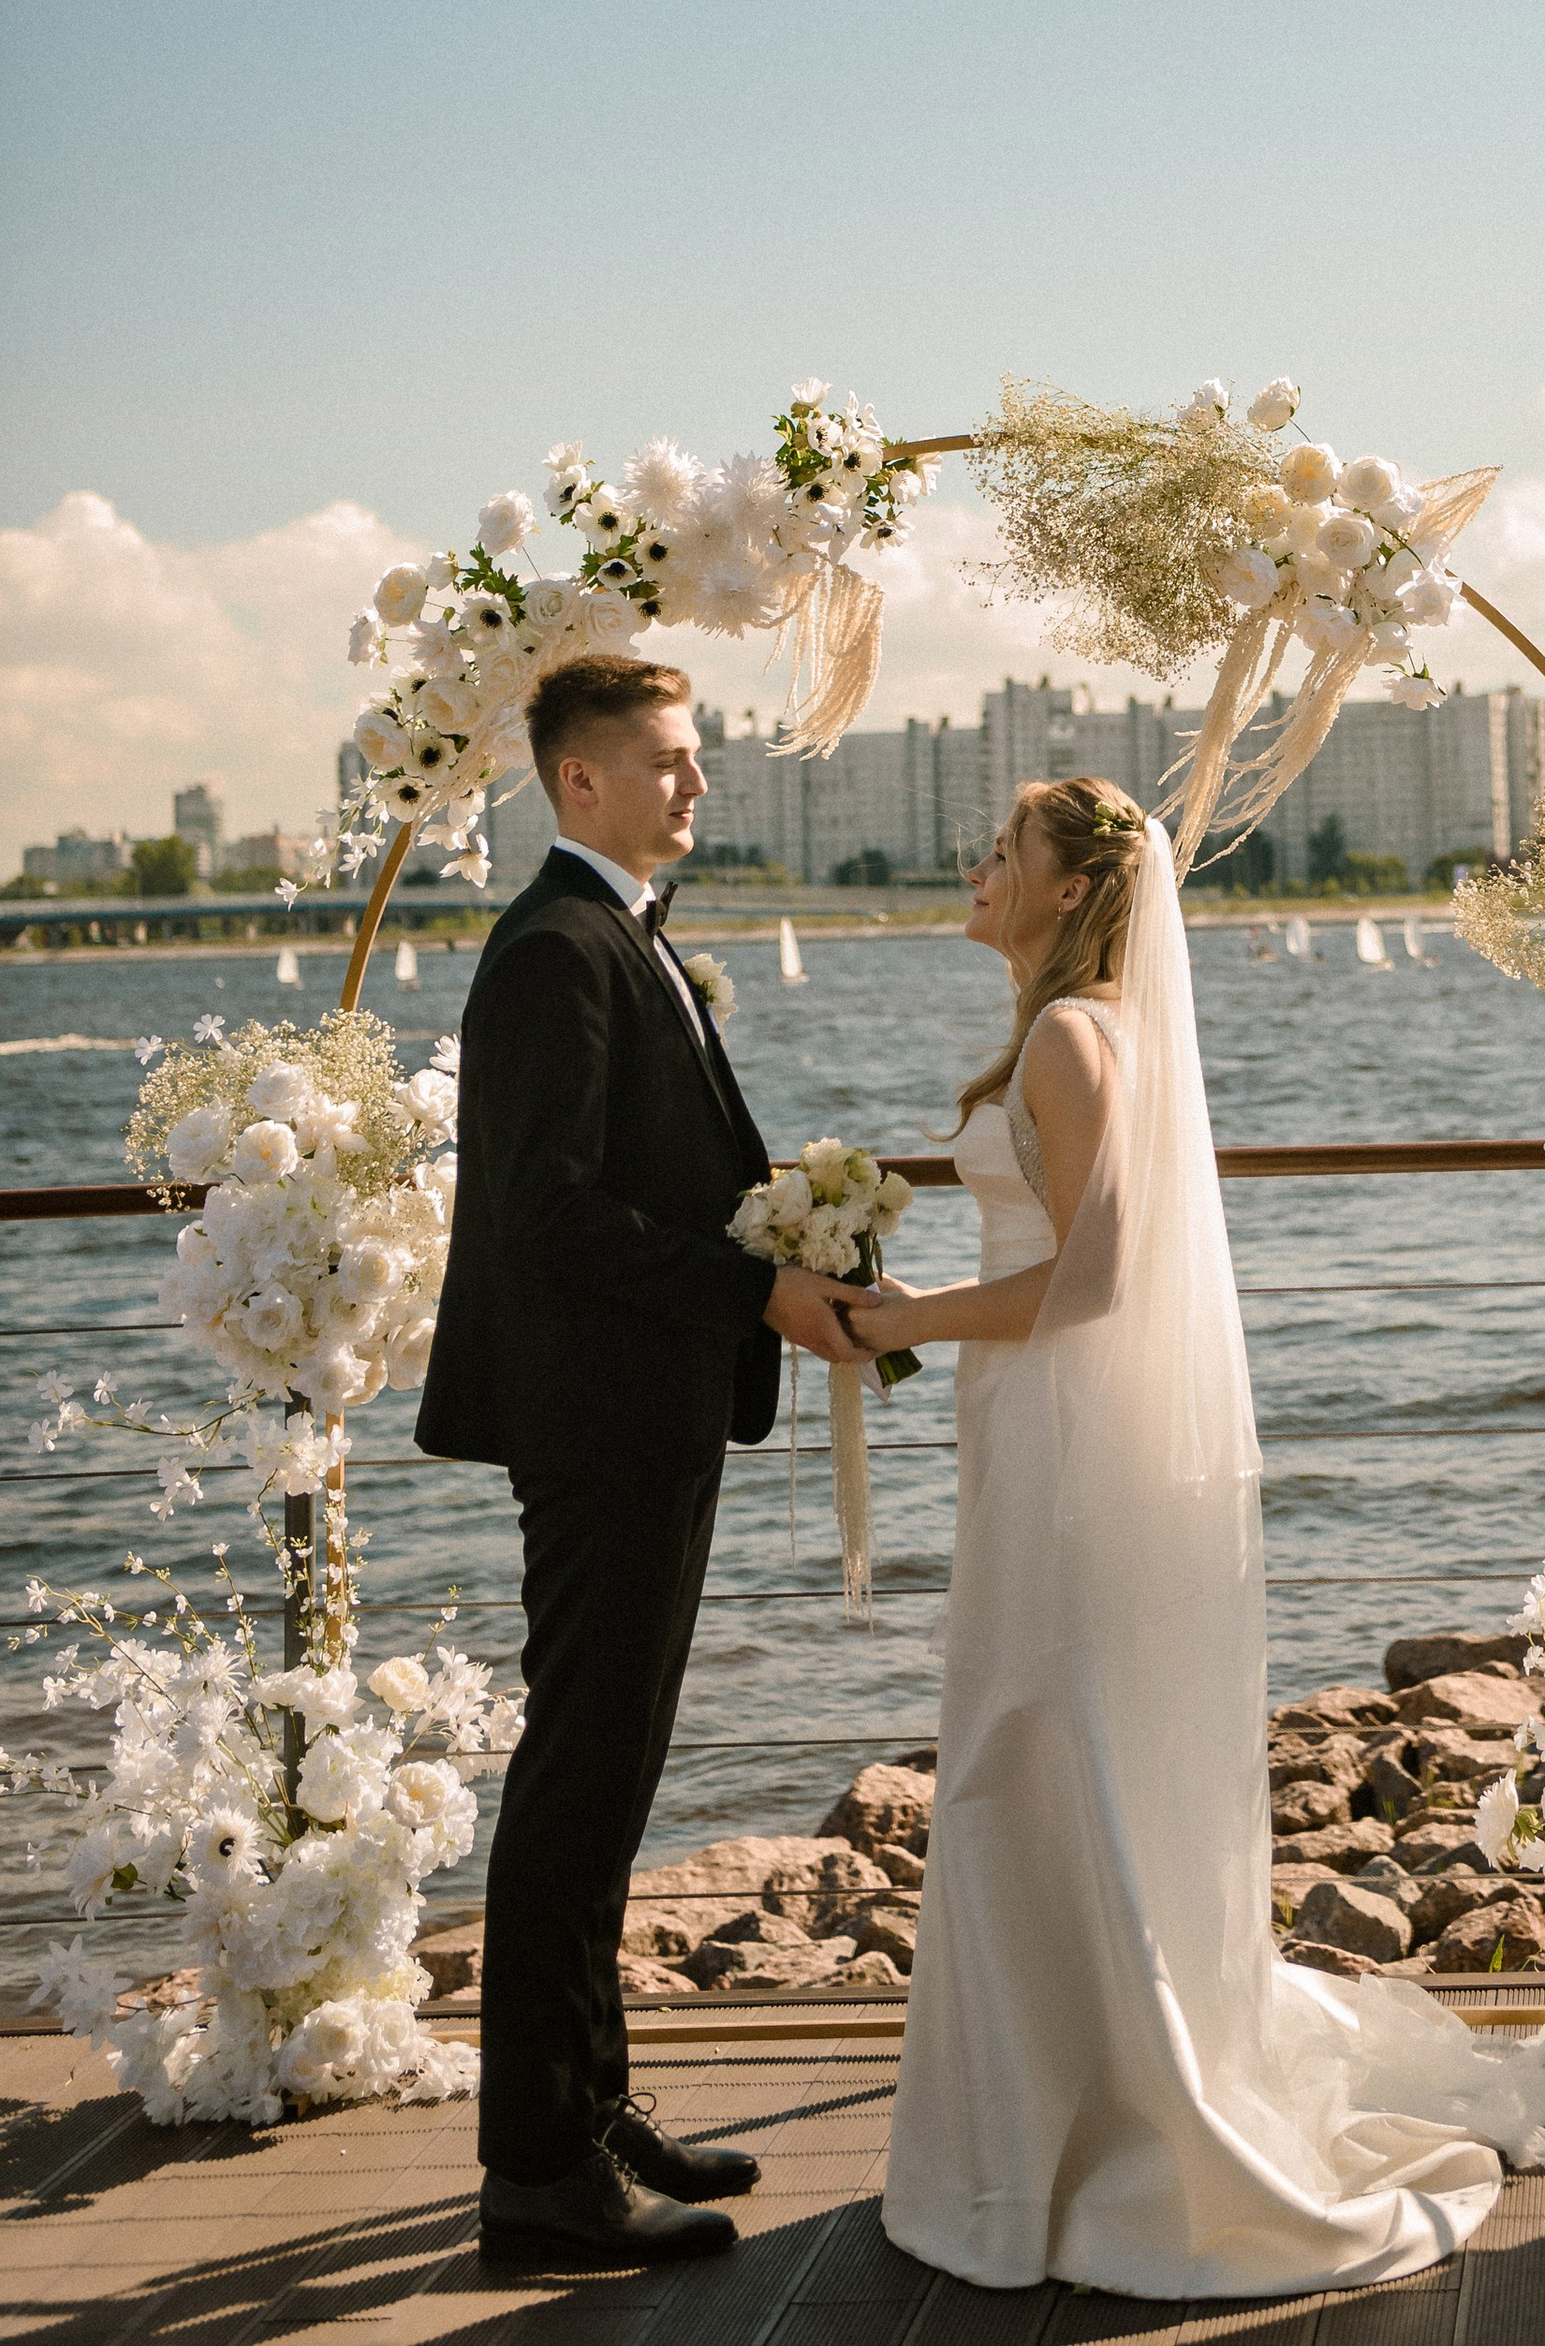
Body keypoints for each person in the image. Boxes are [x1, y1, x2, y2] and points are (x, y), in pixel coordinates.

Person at [844, 776, 1545, 2299]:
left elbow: (1097, 1278)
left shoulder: (1069, 1037)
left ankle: (1065, 2135)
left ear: (1066, 892)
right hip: (1042, 1435)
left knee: (1022, 1752)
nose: (975, 868)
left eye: (1003, 851)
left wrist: (908, 1319)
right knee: (1043, 1749)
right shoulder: (1080, 1033)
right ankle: (1065, 2109)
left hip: (1058, 1442)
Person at [418, 654, 870, 2265]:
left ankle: (593, 2103)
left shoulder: (620, 938)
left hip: (648, 1412)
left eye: (698, 759)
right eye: (667, 762)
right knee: (577, 1780)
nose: (697, 784)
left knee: (610, 1774)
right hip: (599, 1423)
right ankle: (536, 2178)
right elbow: (547, 1208)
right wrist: (759, 1284)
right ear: (579, 781)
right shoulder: (556, 949)